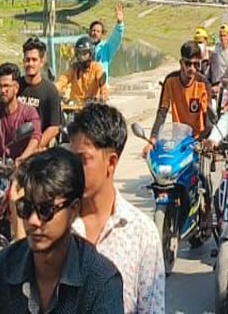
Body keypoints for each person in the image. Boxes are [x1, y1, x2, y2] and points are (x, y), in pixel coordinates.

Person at [0, 148, 123, 312]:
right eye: (25, 208)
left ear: (74, 210)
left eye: (45, 210)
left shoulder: (100, 282)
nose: (33, 221)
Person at [67, 103, 164, 314]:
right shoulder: (56, 223)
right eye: (70, 159)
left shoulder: (141, 234)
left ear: (111, 162)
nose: (72, 170)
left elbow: (152, 309)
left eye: (82, 160)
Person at [147, 42, 212, 146]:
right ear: (181, 63)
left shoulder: (203, 84)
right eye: (188, 64)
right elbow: (162, 112)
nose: (192, 68)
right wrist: (153, 137)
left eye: (196, 64)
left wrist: (203, 140)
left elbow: (208, 118)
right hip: (178, 139)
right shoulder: (170, 81)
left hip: (198, 141)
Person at [19, 37, 64, 151]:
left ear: (42, 62)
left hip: (39, 150)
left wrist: (33, 148)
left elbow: (54, 127)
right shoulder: (15, 87)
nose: (30, 63)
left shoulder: (50, 91)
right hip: (15, 147)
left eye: (34, 60)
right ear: (23, 60)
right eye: (27, 59)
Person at [57, 36, 110, 104]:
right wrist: (54, 89)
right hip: (74, 107)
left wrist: (103, 94)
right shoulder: (74, 68)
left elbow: (102, 83)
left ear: (91, 53)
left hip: (92, 106)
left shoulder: (96, 68)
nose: (81, 57)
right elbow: (63, 79)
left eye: (84, 53)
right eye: (79, 53)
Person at [87, 4, 126, 85]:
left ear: (102, 34)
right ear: (89, 32)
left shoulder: (106, 48)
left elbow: (115, 39)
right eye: (93, 30)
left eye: (98, 31)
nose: (95, 33)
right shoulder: (84, 48)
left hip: (101, 90)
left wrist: (119, 23)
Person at [209, 25, 228, 109]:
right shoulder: (217, 50)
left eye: (225, 35)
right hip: (217, 84)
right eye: (221, 36)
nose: (222, 38)